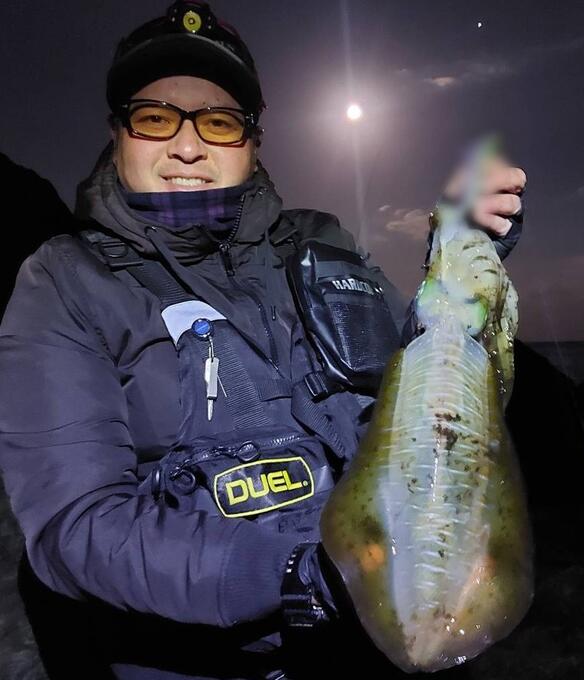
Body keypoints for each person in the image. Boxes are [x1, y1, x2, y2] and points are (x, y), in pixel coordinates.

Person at [0, 2, 526, 678]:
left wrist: (458, 267)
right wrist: (297, 575)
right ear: (118, 131)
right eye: (155, 118)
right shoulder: (64, 282)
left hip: (372, 645)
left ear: (252, 141)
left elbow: (420, 405)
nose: (187, 147)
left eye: (218, 122)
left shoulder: (321, 242)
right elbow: (76, 528)